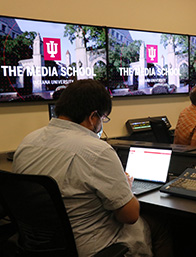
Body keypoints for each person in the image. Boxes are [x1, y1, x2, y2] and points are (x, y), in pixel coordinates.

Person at [12, 79, 172, 257]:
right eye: (103, 118)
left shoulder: (27, 142)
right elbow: (130, 215)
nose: (102, 123)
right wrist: (124, 186)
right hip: (90, 247)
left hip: (39, 244)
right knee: (159, 227)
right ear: (93, 116)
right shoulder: (97, 150)